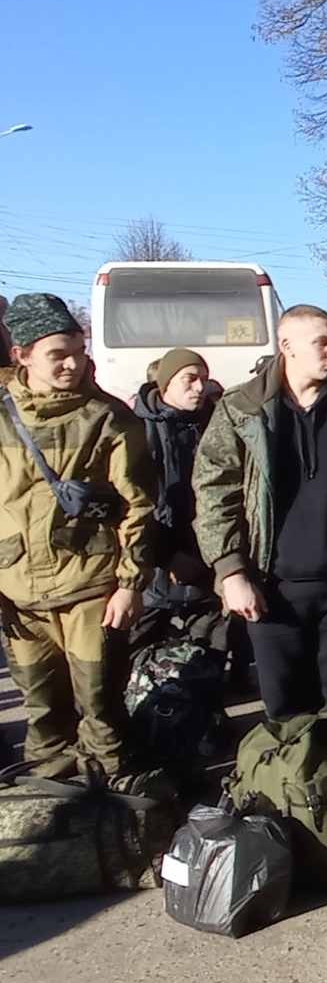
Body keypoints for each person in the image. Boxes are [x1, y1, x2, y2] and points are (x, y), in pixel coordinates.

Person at [194, 305, 327, 726]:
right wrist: (231, 572)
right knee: (286, 709)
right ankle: (294, 789)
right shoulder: (243, 409)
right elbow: (213, 491)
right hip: (271, 588)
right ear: (287, 346)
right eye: (323, 343)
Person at [0, 293, 158, 782]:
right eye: (57, 355)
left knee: (101, 710)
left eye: (77, 351)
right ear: (21, 355)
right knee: (43, 712)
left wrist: (131, 583)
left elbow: (138, 505)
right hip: (18, 594)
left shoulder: (108, 417)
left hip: (91, 588)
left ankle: (113, 817)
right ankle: (53, 823)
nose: (72, 364)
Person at [133, 348, 217, 613]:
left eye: (204, 379)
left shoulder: (217, 425)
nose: (200, 387)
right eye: (190, 379)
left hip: (210, 567)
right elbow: (135, 502)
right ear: (166, 382)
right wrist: (166, 556)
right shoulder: (137, 429)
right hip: (153, 576)